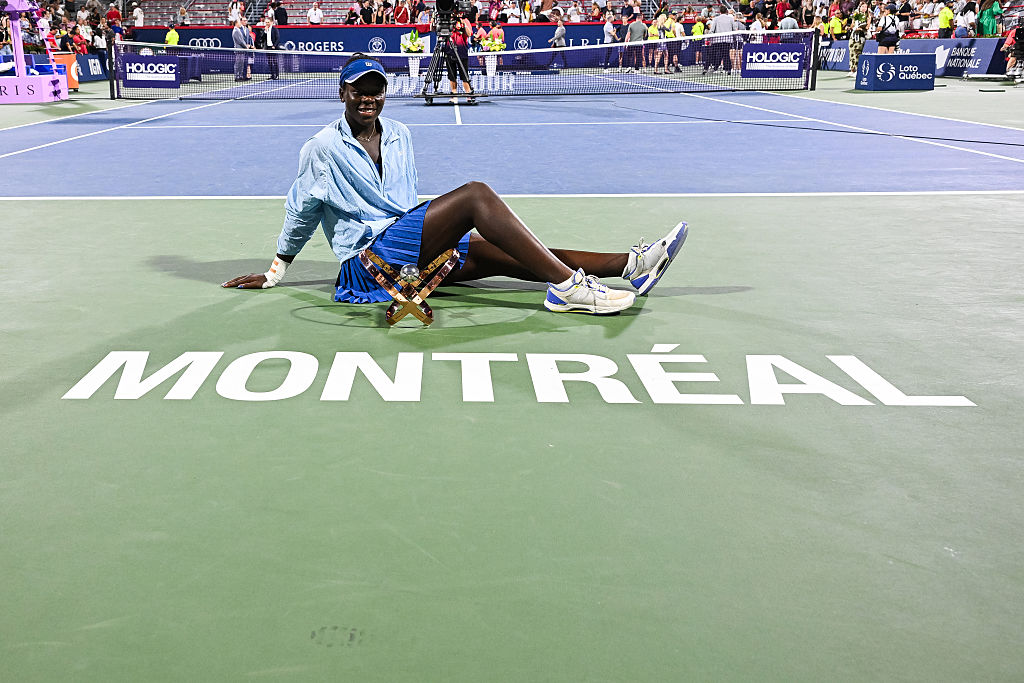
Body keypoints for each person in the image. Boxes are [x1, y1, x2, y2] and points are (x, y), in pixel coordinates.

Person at [222, 55, 688, 315]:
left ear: (384, 93)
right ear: (342, 92)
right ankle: (569, 289)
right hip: (367, 262)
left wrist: (438, 230)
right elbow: (301, 211)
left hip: (405, 246)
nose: (368, 98)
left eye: (375, 89)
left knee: (502, 251)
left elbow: (401, 203)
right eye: (358, 89)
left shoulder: (399, 134)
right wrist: (276, 271)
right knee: (475, 196)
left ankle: (631, 265)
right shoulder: (321, 147)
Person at [446, 13, 473, 101]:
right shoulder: (446, 21)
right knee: (452, 75)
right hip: (449, 51)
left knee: (464, 75)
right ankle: (454, 95)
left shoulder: (465, 21)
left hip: (462, 52)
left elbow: (469, 34)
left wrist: (463, 24)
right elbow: (434, 30)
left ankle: (468, 94)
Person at [704, 5, 734, 74]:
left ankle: (707, 68)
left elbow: (712, 30)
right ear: (726, 11)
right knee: (726, 54)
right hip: (727, 40)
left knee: (713, 54)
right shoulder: (731, 19)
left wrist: (708, 38)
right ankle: (728, 69)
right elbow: (734, 29)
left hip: (717, 40)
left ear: (720, 11)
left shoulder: (716, 19)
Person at [848, 1, 870, 75]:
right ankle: (852, 69)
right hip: (853, 35)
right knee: (851, 51)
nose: (864, 8)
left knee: (857, 52)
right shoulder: (856, 15)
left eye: (865, 7)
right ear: (859, 7)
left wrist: (862, 28)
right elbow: (852, 24)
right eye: (862, 6)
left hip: (861, 36)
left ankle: (858, 70)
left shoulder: (868, 16)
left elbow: (867, 26)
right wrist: (851, 27)